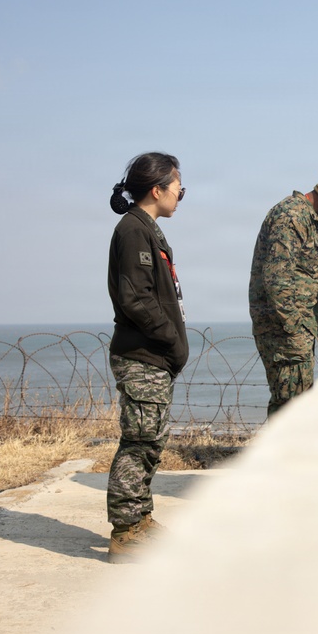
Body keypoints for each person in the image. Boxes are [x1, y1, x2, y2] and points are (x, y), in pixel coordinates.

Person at [105, 152, 189, 563]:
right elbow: (135, 298)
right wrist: (171, 339)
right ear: (157, 189)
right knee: (138, 443)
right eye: (179, 189)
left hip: (152, 357)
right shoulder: (134, 231)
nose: (180, 196)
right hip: (142, 355)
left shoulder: (146, 229)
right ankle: (124, 531)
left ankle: (140, 520)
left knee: (151, 441)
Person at [249, 171, 318, 417]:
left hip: (295, 333)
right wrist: (294, 328)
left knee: (292, 404)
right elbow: (277, 276)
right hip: (285, 334)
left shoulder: (307, 220)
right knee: (292, 407)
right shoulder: (292, 217)